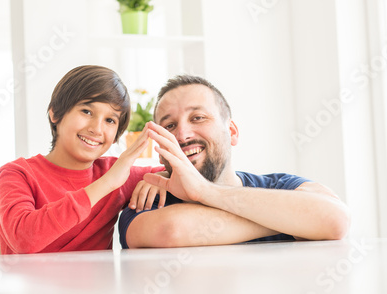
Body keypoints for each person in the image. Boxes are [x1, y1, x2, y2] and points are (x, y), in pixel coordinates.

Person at [119, 75, 350, 248]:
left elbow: (335, 219)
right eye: (169, 126)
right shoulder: (146, 201)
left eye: (198, 118)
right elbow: (171, 232)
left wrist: (204, 191)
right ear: (160, 149)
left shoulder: (279, 185)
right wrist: (291, 218)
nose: (183, 134)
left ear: (231, 132)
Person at [0, 65, 164, 254]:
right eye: (87, 112)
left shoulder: (115, 171)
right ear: (55, 113)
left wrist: (162, 179)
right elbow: (23, 240)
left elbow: (191, 177)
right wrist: (107, 183)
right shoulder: (16, 174)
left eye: (110, 120)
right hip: (32, 283)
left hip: (98, 284)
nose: (97, 129)